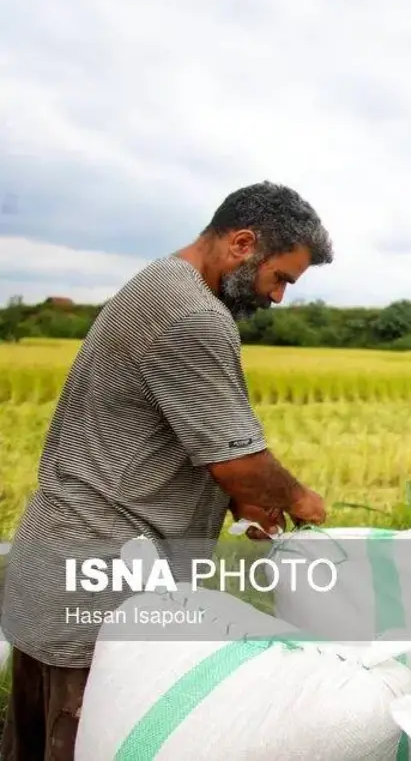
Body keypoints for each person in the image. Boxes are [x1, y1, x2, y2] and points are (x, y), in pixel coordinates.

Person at [0, 181, 332, 760]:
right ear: (244, 243)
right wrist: (299, 499)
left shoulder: (159, 283)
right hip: (101, 587)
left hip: (61, 567)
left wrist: (235, 499)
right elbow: (237, 460)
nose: (279, 297)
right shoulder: (194, 317)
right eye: (280, 277)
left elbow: (175, 439)